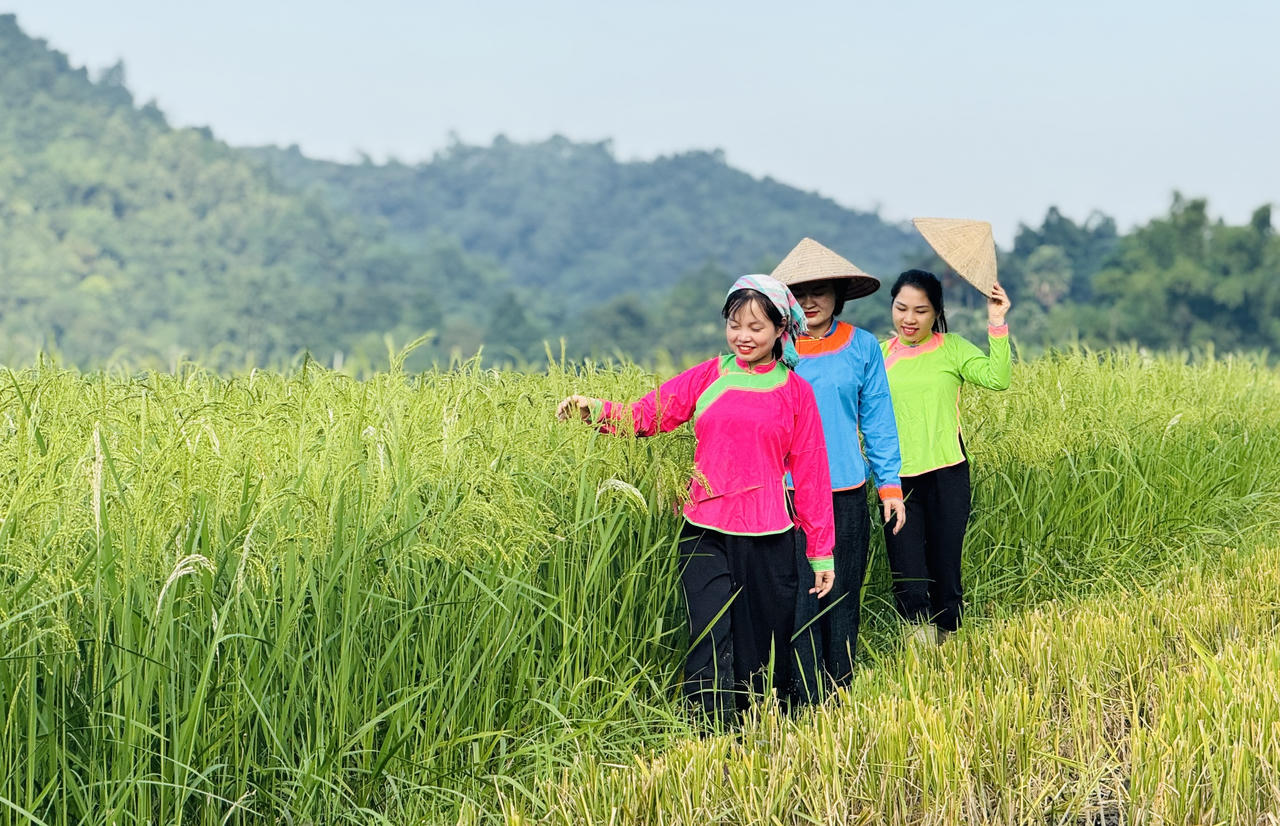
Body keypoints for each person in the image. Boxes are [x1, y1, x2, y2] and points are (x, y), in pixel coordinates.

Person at [557, 274, 835, 720]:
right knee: (708, 631)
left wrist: (822, 553)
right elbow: (649, 415)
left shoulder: (795, 393)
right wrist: (596, 410)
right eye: (735, 324)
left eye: (756, 327)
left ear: (780, 331)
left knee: (760, 641)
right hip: (704, 529)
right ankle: (705, 731)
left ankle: (760, 726)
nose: (743, 336)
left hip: (768, 535)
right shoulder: (710, 374)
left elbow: (812, 473)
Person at [770, 239, 906, 703]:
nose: (810, 301)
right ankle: (800, 693)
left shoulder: (863, 346)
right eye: (800, 291)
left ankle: (839, 686)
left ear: (838, 295)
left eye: (820, 291)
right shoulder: (774, 349)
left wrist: (890, 487)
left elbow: (879, 418)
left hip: (845, 488)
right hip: (786, 493)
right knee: (799, 593)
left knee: (844, 587)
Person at [880, 269, 1011, 644]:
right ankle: (920, 658)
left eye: (920, 311)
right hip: (895, 480)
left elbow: (997, 378)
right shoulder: (879, 355)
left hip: (947, 473)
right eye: (901, 308)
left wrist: (997, 322)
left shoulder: (952, 348)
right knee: (907, 570)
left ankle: (948, 649)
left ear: (936, 312)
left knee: (944, 566)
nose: (909, 319)